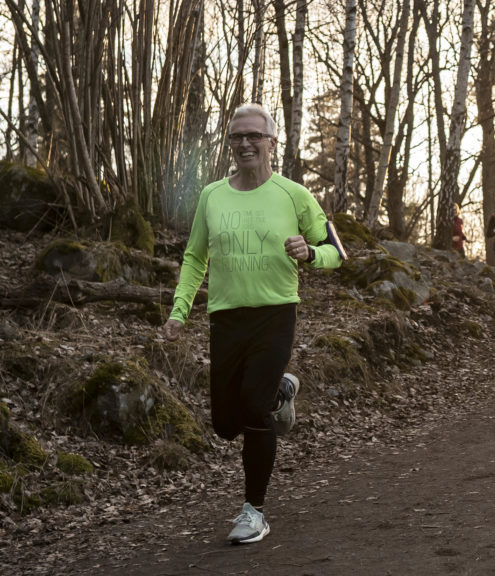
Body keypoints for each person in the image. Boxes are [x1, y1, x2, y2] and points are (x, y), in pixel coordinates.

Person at [160, 103, 344, 545]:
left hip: (275, 314)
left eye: (253, 136)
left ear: (271, 142)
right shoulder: (212, 195)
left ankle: (253, 512)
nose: (244, 144)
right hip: (226, 317)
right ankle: (282, 389)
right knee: (226, 423)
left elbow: (337, 253)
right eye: (236, 136)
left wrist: (310, 254)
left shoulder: (294, 195)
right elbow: (194, 257)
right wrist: (178, 311)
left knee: (254, 407)